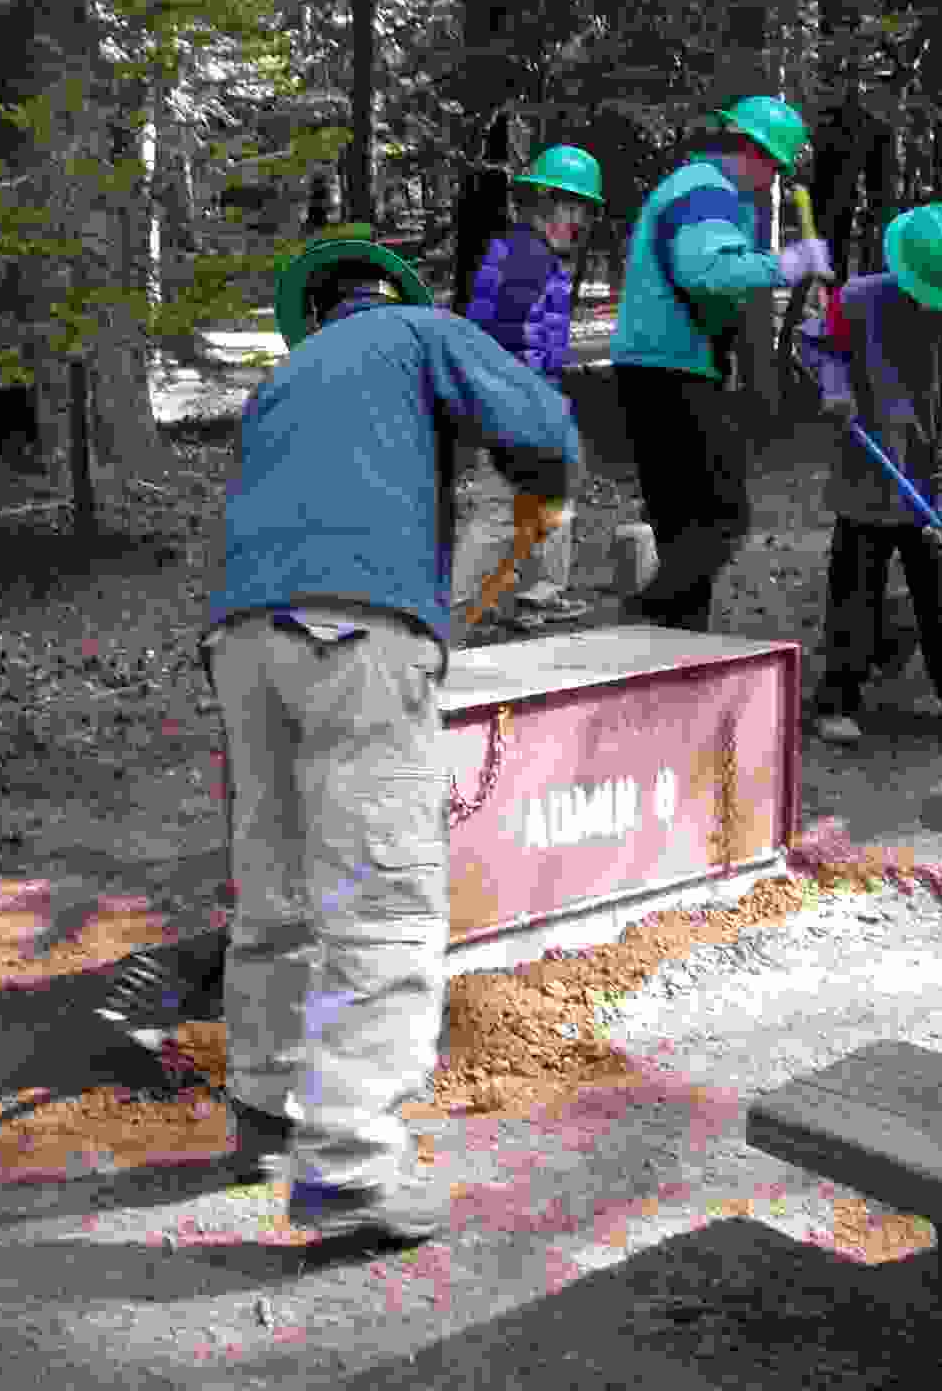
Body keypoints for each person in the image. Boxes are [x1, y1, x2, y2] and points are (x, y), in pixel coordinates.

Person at [196, 231, 580, 1246]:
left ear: (313, 315)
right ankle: (350, 1167)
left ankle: (265, 1112)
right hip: (355, 633)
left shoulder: (279, 388)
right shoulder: (420, 333)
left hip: (243, 641)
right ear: (388, 297)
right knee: (382, 897)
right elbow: (538, 419)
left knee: (275, 886)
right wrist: (545, 486)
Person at [608, 95, 833, 631]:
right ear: (754, 152)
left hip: (660, 366)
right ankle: (646, 615)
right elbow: (706, 270)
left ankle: (677, 645)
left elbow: (717, 283)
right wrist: (789, 264)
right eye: (775, 167)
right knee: (722, 517)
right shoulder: (707, 191)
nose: (774, 180)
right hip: (670, 370)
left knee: (683, 526)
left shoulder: (698, 188)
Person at [797, 203, 942, 746]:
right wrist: (835, 385)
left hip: (929, 487)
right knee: (854, 594)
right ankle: (837, 700)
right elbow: (816, 343)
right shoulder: (857, 299)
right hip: (865, 472)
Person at [463, 144, 605, 622]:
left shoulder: (521, 252)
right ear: (548, 205)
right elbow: (508, 336)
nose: (581, 222)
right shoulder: (529, 260)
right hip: (516, 399)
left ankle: (533, 594)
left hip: (507, 396)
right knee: (501, 509)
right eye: (576, 208)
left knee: (545, 497)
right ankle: (461, 604)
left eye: (585, 210)